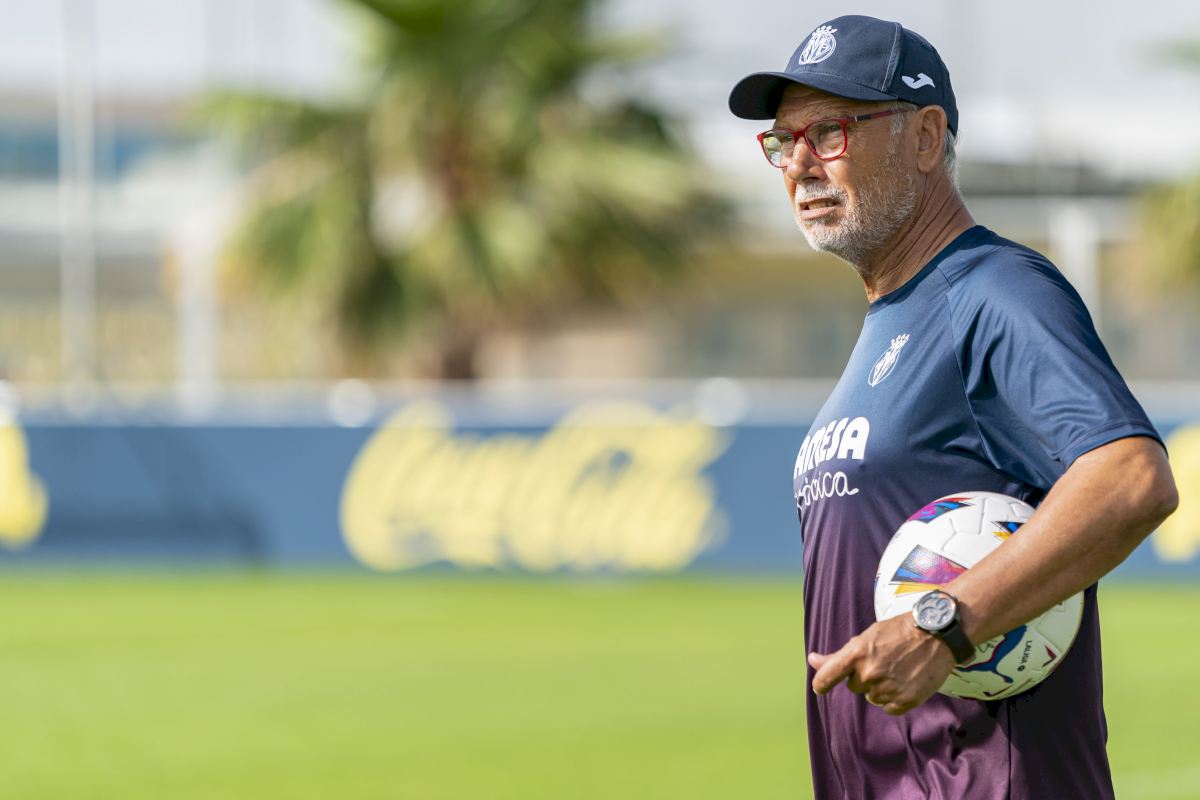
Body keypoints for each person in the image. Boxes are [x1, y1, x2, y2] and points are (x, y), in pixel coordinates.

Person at [728, 14, 1178, 800]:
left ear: (926, 138)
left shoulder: (995, 291)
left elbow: (1131, 478)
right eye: (783, 140)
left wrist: (942, 623)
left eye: (829, 132)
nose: (798, 163)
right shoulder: (891, 321)